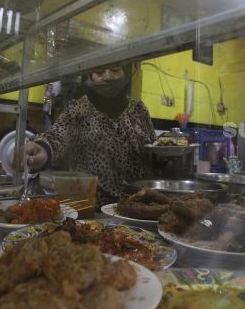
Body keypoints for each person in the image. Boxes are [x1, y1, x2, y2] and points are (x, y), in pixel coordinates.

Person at [19, 63, 156, 207]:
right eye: (99, 71)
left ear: (125, 73)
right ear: (90, 76)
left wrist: (166, 156)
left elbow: (153, 149)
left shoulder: (139, 110)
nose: (108, 76)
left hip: (140, 207)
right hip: (94, 210)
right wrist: (42, 149)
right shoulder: (78, 109)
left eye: (115, 70)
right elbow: (56, 137)